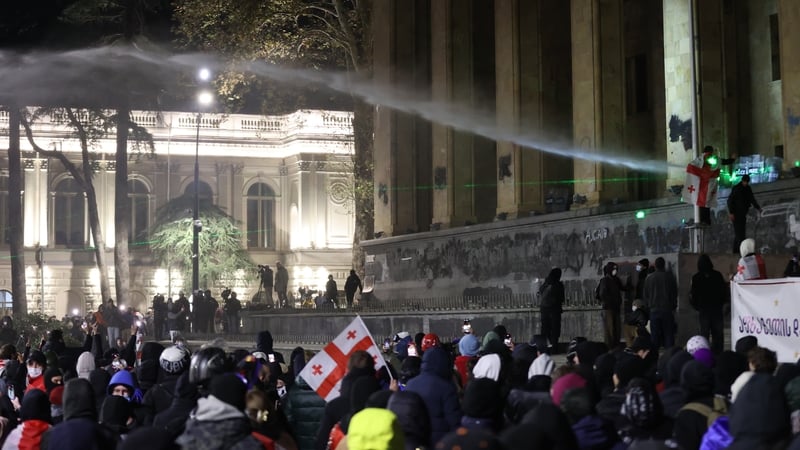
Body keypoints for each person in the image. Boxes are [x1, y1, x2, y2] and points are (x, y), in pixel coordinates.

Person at [690, 254, 727, 353]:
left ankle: (705, 354)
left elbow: (693, 295)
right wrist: (722, 303)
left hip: (704, 310)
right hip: (716, 309)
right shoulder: (717, 275)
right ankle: (718, 354)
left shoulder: (696, 277)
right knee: (718, 335)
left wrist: (697, 307)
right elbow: (724, 291)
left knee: (704, 335)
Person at [643, 257, 678, 350]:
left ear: (655, 265)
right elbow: (674, 293)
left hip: (654, 310)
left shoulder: (649, 278)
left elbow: (645, 296)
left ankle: (654, 355)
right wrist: (673, 306)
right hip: (667, 310)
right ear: (664, 265)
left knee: (654, 336)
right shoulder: (670, 277)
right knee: (668, 334)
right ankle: (669, 354)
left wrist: (648, 307)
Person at [727, 174, 762, 254]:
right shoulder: (737, 188)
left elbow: (752, 199)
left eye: (746, 182)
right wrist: (731, 212)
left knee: (740, 232)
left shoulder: (747, 189)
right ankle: (739, 251)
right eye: (745, 182)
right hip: (736, 214)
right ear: (742, 181)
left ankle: (736, 251)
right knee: (740, 233)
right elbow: (730, 201)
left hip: (742, 214)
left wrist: (758, 207)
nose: (745, 183)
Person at [597, 262, 623, 350]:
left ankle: (615, 348)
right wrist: (611, 301)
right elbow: (602, 294)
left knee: (616, 330)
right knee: (609, 330)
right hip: (608, 308)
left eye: (616, 269)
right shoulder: (605, 280)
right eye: (613, 269)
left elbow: (622, 287)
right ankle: (610, 348)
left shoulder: (615, 280)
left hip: (615, 308)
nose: (615, 271)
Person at [538, 267, 564, 351]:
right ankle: (554, 348)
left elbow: (540, 293)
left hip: (544, 311)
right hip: (555, 311)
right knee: (555, 330)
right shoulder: (558, 285)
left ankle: (545, 348)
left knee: (545, 329)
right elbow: (561, 298)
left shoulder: (545, 284)